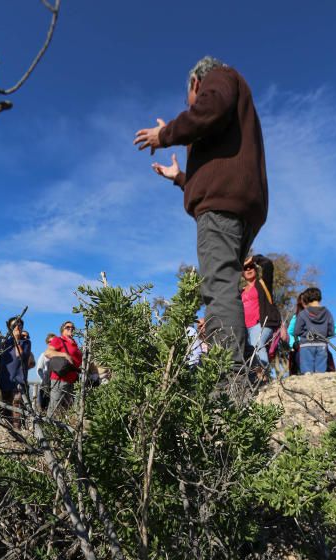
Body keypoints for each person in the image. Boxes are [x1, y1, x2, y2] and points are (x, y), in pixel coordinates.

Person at [134, 56, 268, 369]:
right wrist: (180, 178)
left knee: (218, 285)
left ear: (196, 83)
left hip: (222, 206)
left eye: (190, 98)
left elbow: (209, 109)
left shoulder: (219, 78)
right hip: (241, 205)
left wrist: (165, 135)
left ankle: (227, 380)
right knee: (227, 282)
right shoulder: (233, 98)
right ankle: (242, 370)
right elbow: (215, 168)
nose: (193, 103)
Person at [241, 254, 281, 371]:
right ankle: (254, 381)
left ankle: (264, 378)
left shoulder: (263, 284)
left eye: (251, 267)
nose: (248, 269)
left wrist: (253, 259)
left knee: (257, 345)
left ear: (255, 269)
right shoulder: (240, 292)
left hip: (261, 324)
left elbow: (268, 265)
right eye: (245, 268)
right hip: (244, 328)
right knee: (248, 354)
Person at [0, 317, 32, 430]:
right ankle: (8, 433)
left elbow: (19, 355)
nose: (17, 327)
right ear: (9, 328)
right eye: (14, 325)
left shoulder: (25, 342)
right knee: (5, 408)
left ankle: (18, 433)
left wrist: (16, 339)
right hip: (4, 381)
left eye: (19, 325)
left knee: (17, 408)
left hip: (18, 382)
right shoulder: (4, 343)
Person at [45, 321, 82, 417]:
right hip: (60, 379)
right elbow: (48, 353)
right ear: (62, 329)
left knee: (67, 409)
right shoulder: (58, 339)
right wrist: (64, 355)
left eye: (73, 327)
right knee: (54, 408)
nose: (71, 329)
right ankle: (48, 429)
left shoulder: (75, 344)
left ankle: (61, 431)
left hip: (73, 380)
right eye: (68, 327)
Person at [294, 288, 335, 374]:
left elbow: (297, 331)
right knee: (320, 373)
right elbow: (331, 331)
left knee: (307, 373)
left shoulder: (302, 314)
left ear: (306, 299)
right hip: (322, 345)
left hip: (306, 345)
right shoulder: (327, 313)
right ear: (320, 298)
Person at [37, 332, 55, 411]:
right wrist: (44, 380)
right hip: (45, 384)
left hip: (55, 384)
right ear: (47, 343)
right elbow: (39, 369)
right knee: (44, 406)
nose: (52, 343)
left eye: (54, 341)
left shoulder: (58, 355)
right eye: (50, 341)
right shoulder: (43, 355)